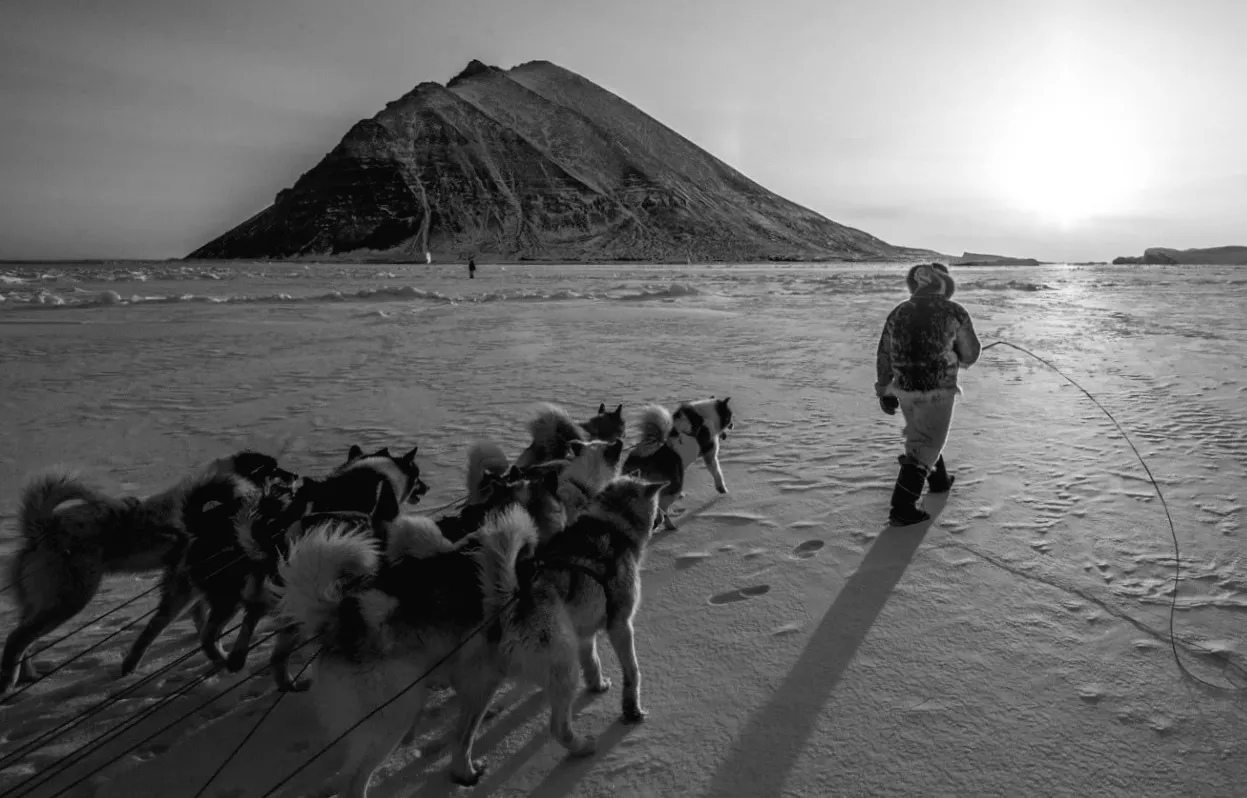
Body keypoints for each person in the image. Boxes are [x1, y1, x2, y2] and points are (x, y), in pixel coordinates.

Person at [874, 262, 982, 526]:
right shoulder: (954, 311)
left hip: (905, 388)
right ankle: (903, 506)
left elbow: (884, 354)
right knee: (928, 443)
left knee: (923, 435)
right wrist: (958, 356)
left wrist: (884, 389)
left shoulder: (898, 312)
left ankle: (939, 481)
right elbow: (971, 353)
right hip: (938, 389)